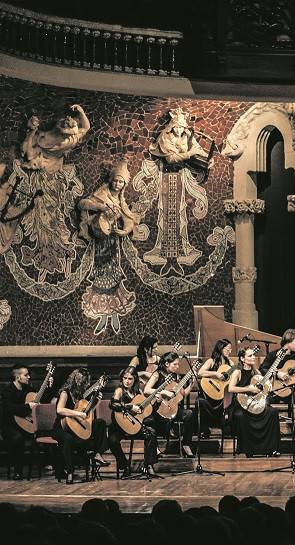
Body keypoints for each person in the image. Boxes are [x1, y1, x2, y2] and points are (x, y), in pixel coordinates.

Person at [76, 159, 140, 335]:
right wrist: (101, 207)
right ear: (111, 180)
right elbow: (82, 204)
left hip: (113, 243)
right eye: (116, 181)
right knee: (101, 278)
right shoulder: (102, 194)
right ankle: (103, 315)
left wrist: (125, 230)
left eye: (121, 182)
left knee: (114, 277)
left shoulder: (120, 199)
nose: (118, 185)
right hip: (101, 242)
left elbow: (128, 216)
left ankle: (114, 314)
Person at [53, 368, 109, 484]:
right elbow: (60, 410)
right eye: (85, 382)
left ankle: (98, 453)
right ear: (78, 382)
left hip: (76, 425)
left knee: (100, 423)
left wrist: (95, 403)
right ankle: (69, 472)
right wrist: (79, 414)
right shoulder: (65, 393)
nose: (88, 384)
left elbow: (87, 414)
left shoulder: (79, 395)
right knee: (67, 439)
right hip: (61, 427)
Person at [227, 347, 281, 457]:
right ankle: (249, 450)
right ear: (242, 358)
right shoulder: (237, 371)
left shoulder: (256, 372)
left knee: (273, 412)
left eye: (254, 355)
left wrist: (273, 377)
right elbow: (231, 389)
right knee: (241, 416)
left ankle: (270, 448)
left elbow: (265, 388)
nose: (253, 357)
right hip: (241, 404)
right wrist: (249, 389)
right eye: (250, 355)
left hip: (255, 403)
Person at [1, 365, 52, 480]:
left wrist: (48, 387)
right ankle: (18, 471)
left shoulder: (28, 389)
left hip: (25, 424)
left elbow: (40, 400)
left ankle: (48, 463)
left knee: (46, 432)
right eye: (26, 375)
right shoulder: (8, 391)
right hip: (10, 426)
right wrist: (27, 406)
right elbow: (9, 408)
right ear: (18, 377)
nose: (29, 377)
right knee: (17, 438)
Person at [107, 367, 158, 477]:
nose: (127, 381)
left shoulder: (138, 392)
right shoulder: (119, 391)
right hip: (118, 426)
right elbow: (112, 405)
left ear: (135, 379)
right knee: (112, 440)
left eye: (130, 379)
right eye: (125, 378)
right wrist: (130, 407)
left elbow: (145, 410)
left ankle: (149, 465)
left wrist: (155, 402)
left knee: (151, 433)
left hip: (133, 425)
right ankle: (125, 466)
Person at [143, 351, 195, 457]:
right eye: (175, 364)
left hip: (173, 408)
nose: (177, 366)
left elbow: (183, 394)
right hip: (159, 408)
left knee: (189, 414)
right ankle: (154, 447)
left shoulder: (176, 376)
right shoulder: (157, 374)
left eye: (177, 364)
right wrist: (163, 392)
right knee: (151, 420)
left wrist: (191, 384)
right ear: (167, 364)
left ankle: (185, 444)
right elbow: (146, 390)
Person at [21, 104, 90, 172]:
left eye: (63, 123)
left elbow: (35, 139)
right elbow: (86, 127)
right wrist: (81, 111)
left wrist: (34, 129)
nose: (65, 120)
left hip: (45, 154)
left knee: (28, 148)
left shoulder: (49, 140)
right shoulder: (72, 138)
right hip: (53, 155)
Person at [196, 338, 233, 439]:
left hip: (223, 397)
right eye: (228, 349)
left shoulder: (230, 364)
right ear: (221, 348)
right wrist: (215, 374)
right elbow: (200, 373)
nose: (230, 352)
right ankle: (205, 429)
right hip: (209, 395)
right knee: (199, 401)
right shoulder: (211, 361)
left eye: (230, 350)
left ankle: (227, 427)